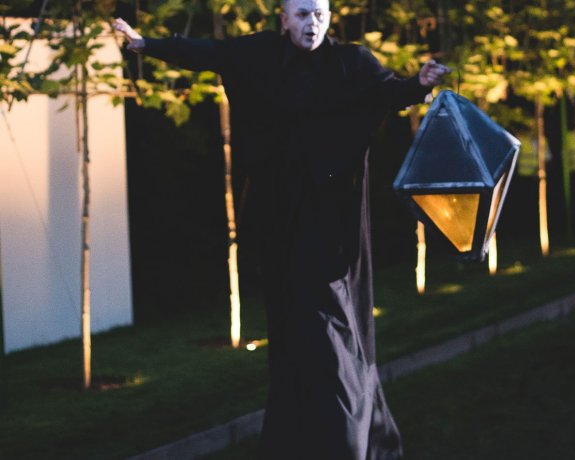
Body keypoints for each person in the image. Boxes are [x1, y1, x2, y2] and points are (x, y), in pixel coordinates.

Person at [116, 2, 450, 458]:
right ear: (283, 18)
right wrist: (147, 44)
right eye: (303, 15)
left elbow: (389, 92)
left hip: (332, 216)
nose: (313, 25)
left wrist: (420, 84)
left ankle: (348, 438)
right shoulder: (260, 55)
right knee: (294, 328)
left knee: (330, 322)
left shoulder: (350, 62)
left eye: (320, 15)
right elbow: (208, 52)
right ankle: (303, 439)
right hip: (279, 215)